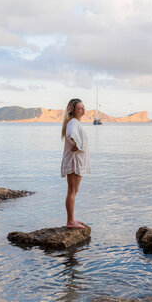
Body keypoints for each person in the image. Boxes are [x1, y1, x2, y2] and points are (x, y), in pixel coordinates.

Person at [61, 98, 91, 229]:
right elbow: (70, 134)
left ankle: (71, 219)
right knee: (72, 191)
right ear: (73, 111)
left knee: (74, 191)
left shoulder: (76, 122)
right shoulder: (73, 122)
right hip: (74, 161)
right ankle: (70, 221)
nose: (83, 110)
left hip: (76, 161)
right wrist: (77, 145)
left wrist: (78, 145)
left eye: (83, 107)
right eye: (80, 108)